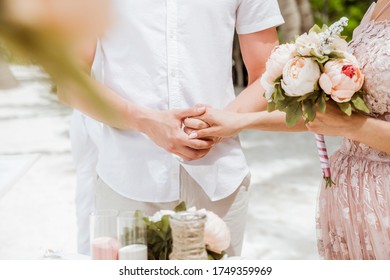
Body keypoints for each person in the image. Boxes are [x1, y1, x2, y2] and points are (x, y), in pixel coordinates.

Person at [58, 0, 284, 256]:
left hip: (219, 182)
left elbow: (270, 73)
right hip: (128, 180)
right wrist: (145, 121)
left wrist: (224, 122)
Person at [187, 0, 390, 259]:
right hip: (350, 190)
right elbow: (324, 116)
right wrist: (238, 122)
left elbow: (345, 122)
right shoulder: (378, 6)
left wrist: (351, 126)